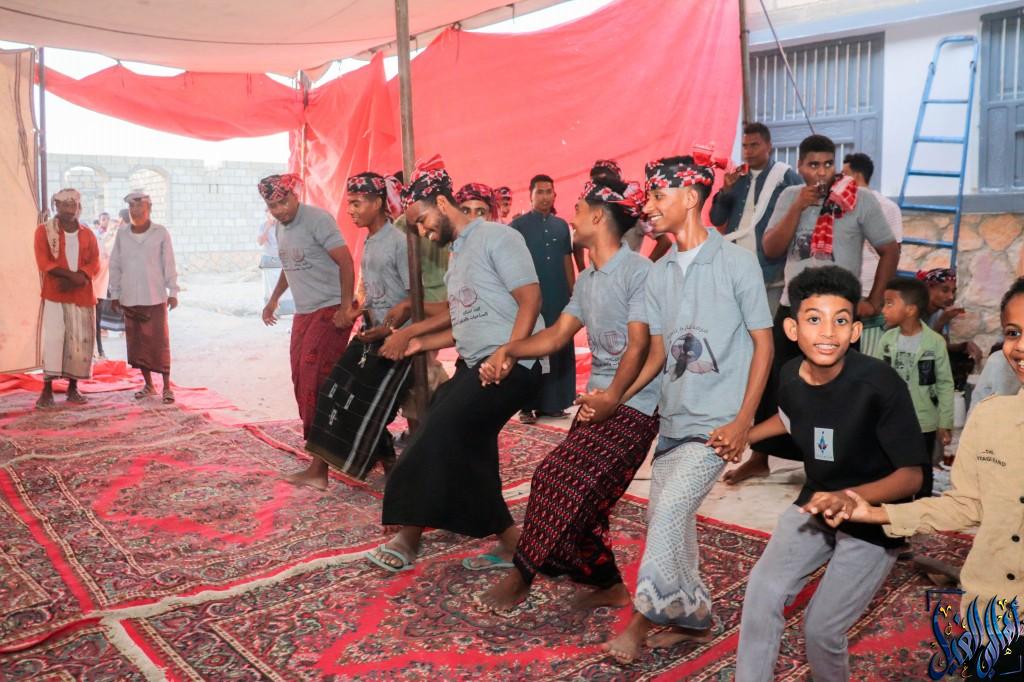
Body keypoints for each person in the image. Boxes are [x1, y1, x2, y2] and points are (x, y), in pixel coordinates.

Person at [602, 156, 774, 663]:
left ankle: (642, 618)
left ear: (691, 198)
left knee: (670, 513)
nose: (648, 207)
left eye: (658, 196)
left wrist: (743, 422)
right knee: (669, 518)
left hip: (718, 425)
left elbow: (763, 346)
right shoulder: (658, 275)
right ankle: (693, 619)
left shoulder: (737, 262)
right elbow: (658, 354)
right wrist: (616, 398)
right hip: (675, 418)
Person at [733, 265, 927, 681]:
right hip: (817, 501)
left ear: (855, 331)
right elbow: (792, 416)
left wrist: (850, 498)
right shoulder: (790, 375)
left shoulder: (880, 386)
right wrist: (744, 434)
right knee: (761, 594)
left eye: (840, 321)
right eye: (813, 319)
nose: (827, 332)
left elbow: (912, 477)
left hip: (875, 517)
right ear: (792, 329)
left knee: (821, 630)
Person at [478, 177, 659, 611]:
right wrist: (509, 349)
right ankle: (609, 586)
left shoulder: (639, 272)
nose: (570, 219)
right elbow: (558, 334)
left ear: (598, 217)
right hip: (599, 400)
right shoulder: (589, 278)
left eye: (577, 210)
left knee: (557, 479)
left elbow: (639, 346)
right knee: (584, 505)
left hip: (635, 403)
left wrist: (614, 397)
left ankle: (522, 575)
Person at [367, 157, 544, 573]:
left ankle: (408, 535)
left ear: (444, 204)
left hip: (514, 364)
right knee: (467, 449)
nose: (423, 232)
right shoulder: (456, 257)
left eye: (424, 221)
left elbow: (531, 300)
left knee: (437, 432)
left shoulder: (498, 237)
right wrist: (415, 343)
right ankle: (514, 544)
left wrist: (509, 353)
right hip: (477, 365)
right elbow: (465, 326)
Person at [837, 276, 1024, 632]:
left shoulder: (933, 343)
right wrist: (876, 513)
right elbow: (967, 504)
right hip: (990, 611)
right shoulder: (989, 417)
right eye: (1013, 332)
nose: (1020, 347)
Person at [724, 133, 900, 485]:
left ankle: (830, 462)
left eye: (827, 164)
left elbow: (889, 249)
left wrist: (874, 298)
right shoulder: (791, 195)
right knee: (774, 383)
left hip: (836, 316)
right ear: (800, 166)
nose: (821, 172)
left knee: (835, 389)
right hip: (792, 309)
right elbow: (771, 249)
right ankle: (760, 458)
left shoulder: (858, 198)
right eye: (813, 165)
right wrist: (798, 208)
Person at [293, 172, 413, 488]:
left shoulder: (399, 242)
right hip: (371, 331)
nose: (350, 210)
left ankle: (391, 467)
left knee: (363, 404)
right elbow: (378, 292)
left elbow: (414, 298)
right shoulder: (371, 240)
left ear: (378, 202)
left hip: (397, 340)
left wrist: (387, 329)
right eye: (350, 203)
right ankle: (319, 471)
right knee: (334, 390)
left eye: (357, 203)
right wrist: (355, 312)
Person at [259, 174, 358, 448]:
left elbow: (346, 262)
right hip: (304, 312)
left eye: (284, 202)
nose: (280, 210)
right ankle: (328, 436)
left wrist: (346, 307)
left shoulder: (318, 219)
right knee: (300, 377)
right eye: (273, 206)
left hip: (331, 306)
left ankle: (325, 446)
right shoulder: (279, 228)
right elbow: (288, 265)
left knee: (314, 377)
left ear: (295, 195)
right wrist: (274, 299)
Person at [710, 122, 803, 314]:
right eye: (745, 146)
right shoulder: (736, 177)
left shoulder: (785, 177)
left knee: (766, 324)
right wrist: (726, 190)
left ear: (769, 146)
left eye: (754, 145)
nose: (748, 151)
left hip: (769, 269)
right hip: (733, 266)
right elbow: (717, 219)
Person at [874, 277, 954, 495]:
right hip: (891, 417)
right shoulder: (887, 340)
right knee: (891, 466)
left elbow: (945, 384)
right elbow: (876, 378)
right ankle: (893, 505)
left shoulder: (934, 342)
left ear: (910, 310)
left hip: (923, 421)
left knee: (922, 468)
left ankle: (921, 506)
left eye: (889, 304)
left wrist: (945, 422)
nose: (884, 309)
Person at [511, 174, 576, 422]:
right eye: (540, 191)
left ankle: (554, 403)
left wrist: (573, 292)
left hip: (558, 296)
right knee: (530, 349)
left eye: (549, 191)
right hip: (531, 299)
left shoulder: (561, 226)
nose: (545, 196)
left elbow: (567, 260)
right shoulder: (517, 227)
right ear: (530, 195)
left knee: (559, 346)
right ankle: (526, 406)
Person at [109, 191, 179, 404]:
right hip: (130, 297)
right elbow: (115, 264)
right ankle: (148, 385)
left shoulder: (160, 232)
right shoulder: (122, 233)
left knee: (159, 343)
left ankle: (166, 387)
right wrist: (115, 293)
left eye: (140, 207)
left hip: (155, 296)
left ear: (149, 209)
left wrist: (173, 291)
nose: (135, 211)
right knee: (138, 344)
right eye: (132, 207)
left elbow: (169, 263)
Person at [33, 189, 100, 408]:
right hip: (56, 294)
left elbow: (95, 262)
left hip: (82, 294)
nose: (70, 209)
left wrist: (79, 278)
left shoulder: (88, 233)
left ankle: (73, 388)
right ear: (56, 206)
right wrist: (72, 277)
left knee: (79, 341)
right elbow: (44, 262)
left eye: (74, 205)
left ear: (79, 207)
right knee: (54, 340)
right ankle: (47, 390)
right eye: (65, 205)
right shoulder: (44, 231)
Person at [843, 152, 904, 357]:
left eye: (844, 174)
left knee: (867, 355)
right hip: (848, 290)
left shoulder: (887, 207)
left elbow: (894, 253)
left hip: (871, 292)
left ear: (856, 176)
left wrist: (876, 299)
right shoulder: (840, 205)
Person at [581, 159, 672, 263]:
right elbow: (576, 242)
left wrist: (644, 268)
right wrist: (583, 270)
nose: (599, 187)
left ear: (617, 181)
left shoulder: (635, 210)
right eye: (595, 183)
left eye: (605, 181)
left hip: (625, 272)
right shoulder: (590, 211)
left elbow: (665, 242)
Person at [919, 268, 984, 376]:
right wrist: (941, 321)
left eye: (953, 291)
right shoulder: (914, 311)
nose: (951, 297)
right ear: (928, 288)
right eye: (945, 290)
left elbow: (943, 346)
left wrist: (964, 346)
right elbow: (921, 348)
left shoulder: (939, 312)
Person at [256, 208, 294, 315]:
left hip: (283, 260)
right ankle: (272, 310)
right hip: (269, 261)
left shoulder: (284, 225)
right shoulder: (263, 226)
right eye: (269, 213)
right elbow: (260, 242)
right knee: (270, 287)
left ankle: (285, 310)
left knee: (285, 287)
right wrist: (268, 226)